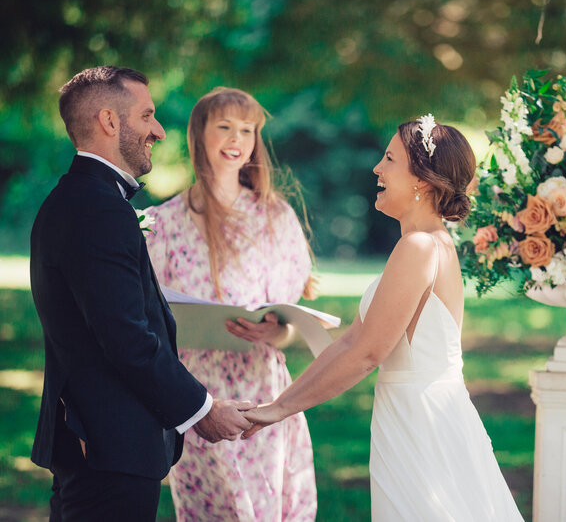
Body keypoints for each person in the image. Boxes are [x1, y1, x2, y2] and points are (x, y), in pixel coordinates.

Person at [243, 115, 524, 520]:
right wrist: (279, 398)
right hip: (412, 413)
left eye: (390, 158)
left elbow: (367, 352)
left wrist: (280, 411)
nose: (377, 167)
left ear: (422, 180)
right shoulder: (426, 244)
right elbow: (351, 342)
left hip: (422, 424)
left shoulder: (421, 248)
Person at [29, 66, 253, 521]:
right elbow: (126, 338)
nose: (159, 129)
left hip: (92, 439)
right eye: (147, 115)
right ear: (109, 121)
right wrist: (202, 410)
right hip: (110, 448)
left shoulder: (76, 198)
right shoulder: (98, 209)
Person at [145, 87, 317, 521]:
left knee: (265, 508)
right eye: (224, 126)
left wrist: (275, 330)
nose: (236, 138)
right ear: (199, 134)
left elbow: (288, 326)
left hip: (262, 390)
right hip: (195, 394)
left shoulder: (274, 217)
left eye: (247, 129)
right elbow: (144, 318)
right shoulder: (162, 224)